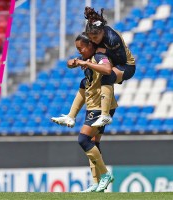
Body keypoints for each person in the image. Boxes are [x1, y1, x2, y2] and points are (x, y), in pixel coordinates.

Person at [51, 32, 116, 192]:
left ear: (89, 46)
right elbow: (69, 63)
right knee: (93, 143)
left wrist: (86, 63)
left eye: (81, 48)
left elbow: (108, 69)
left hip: (101, 106)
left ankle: (105, 175)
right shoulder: (87, 59)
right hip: (92, 106)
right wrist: (75, 62)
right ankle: (96, 182)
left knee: (83, 139)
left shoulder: (99, 57)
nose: (79, 51)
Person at [82, 6, 136, 127]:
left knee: (107, 77)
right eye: (90, 38)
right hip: (112, 62)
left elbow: (120, 60)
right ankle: (73, 115)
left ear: (102, 32)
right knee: (88, 79)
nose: (93, 41)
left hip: (127, 66)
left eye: (95, 38)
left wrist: (105, 52)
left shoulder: (113, 38)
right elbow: (93, 50)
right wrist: (83, 60)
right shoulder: (95, 36)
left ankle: (105, 116)